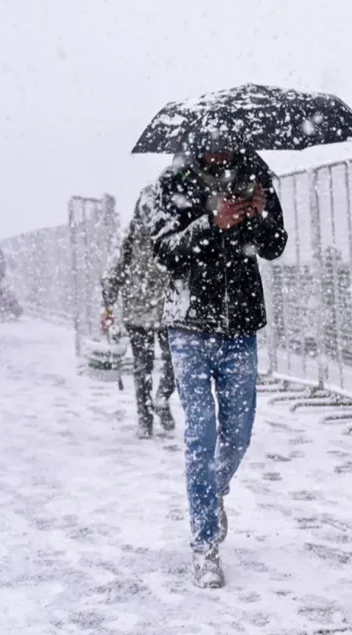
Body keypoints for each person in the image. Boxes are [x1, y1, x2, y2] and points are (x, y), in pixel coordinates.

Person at [151, 144, 288, 589]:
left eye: (229, 137)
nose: (222, 146)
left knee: (240, 431)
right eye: (213, 139)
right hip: (188, 324)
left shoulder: (256, 174)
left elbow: (275, 245)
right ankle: (204, 545)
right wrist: (213, 222)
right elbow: (164, 251)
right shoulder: (171, 183)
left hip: (240, 325)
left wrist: (262, 215)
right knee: (200, 434)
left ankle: (211, 491)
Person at [102, 183, 176, 439]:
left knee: (142, 367)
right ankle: (162, 398)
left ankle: (145, 420)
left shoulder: (131, 232)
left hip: (138, 309)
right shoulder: (171, 228)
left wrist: (109, 302)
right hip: (168, 309)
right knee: (174, 361)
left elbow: (114, 271)